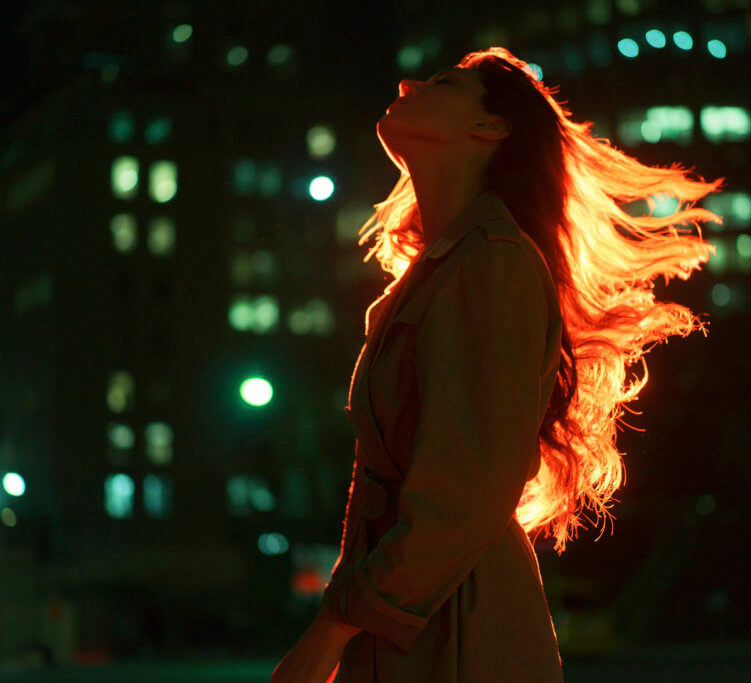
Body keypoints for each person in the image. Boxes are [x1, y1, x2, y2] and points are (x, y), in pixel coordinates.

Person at [272, 46, 724, 683]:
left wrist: (330, 632)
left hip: (455, 631)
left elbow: (466, 487)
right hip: (418, 622)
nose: (406, 81)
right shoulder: (448, 268)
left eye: (441, 82)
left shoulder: (492, 262)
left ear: (489, 128)